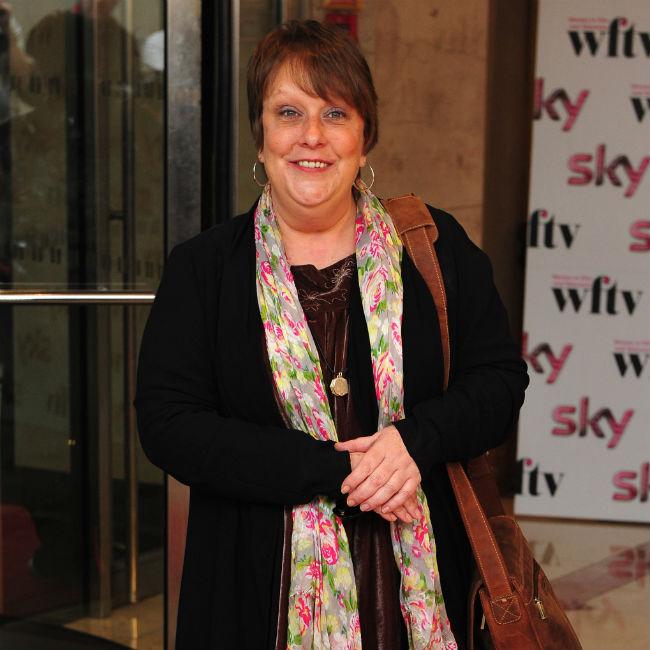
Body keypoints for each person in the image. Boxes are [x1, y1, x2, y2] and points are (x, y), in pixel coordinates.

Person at [135, 19, 528, 650]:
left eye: (336, 113)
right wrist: (335, 469)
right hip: (253, 593)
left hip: (422, 587)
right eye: (289, 112)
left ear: (364, 139)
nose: (311, 136)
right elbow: (169, 424)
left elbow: (499, 382)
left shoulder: (433, 246)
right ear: (261, 136)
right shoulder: (204, 269)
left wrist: (414, 443)